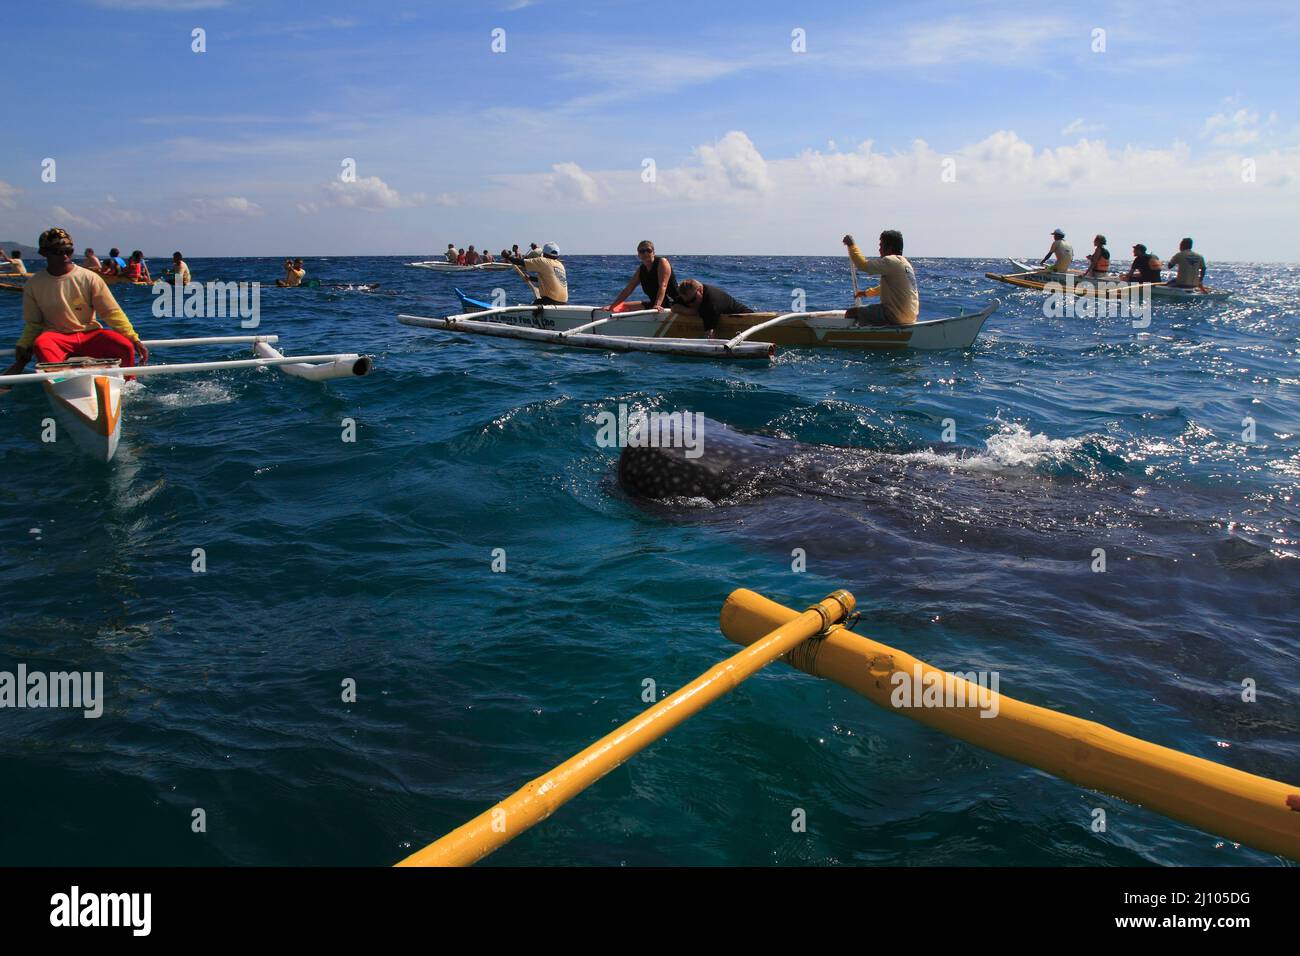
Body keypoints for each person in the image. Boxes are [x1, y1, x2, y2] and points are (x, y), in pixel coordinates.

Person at [1, 227, 147, 381]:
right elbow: (34, 324)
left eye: (68, 251)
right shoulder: (34, 284)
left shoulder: (90, 278)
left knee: (123, 345)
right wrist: (24, 343)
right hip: (57, 337)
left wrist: (133, 338)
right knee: (42, 344)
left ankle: (128, 383)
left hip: (90, 334)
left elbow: (111, 313)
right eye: (57, 251)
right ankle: (60, 383)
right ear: (44, 253)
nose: (64, 255)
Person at [841, 230, 919, 326]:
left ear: (889, 248)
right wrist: (866, 293)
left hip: (894, 315)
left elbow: (864, 266)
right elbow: (890, 288)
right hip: (910, 317)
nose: (879, 249)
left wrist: (851, 245)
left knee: (851, 313)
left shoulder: (891, 260)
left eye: (881, 246)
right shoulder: (906, 264)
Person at [606, 240, 678, 311]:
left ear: (653, 253)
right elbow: (628, 289)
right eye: (642, 251)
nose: (645, 253)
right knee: (622, 306)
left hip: (674, 304)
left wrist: (657, 305)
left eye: (648, 250)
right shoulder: (641, 269)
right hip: (655, 305)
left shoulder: (662, 262)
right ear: (638, 255)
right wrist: (612, 306)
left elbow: (663, 286)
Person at [671, 279, 754, 338]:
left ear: (700, 290)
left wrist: (696, 312)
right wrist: (691, 311)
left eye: (693, 300)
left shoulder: (711, 304)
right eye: (687, 302)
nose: (691, 304)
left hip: (744, 315)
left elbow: (710, 337)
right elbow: (674, 307)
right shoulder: (690, 295)